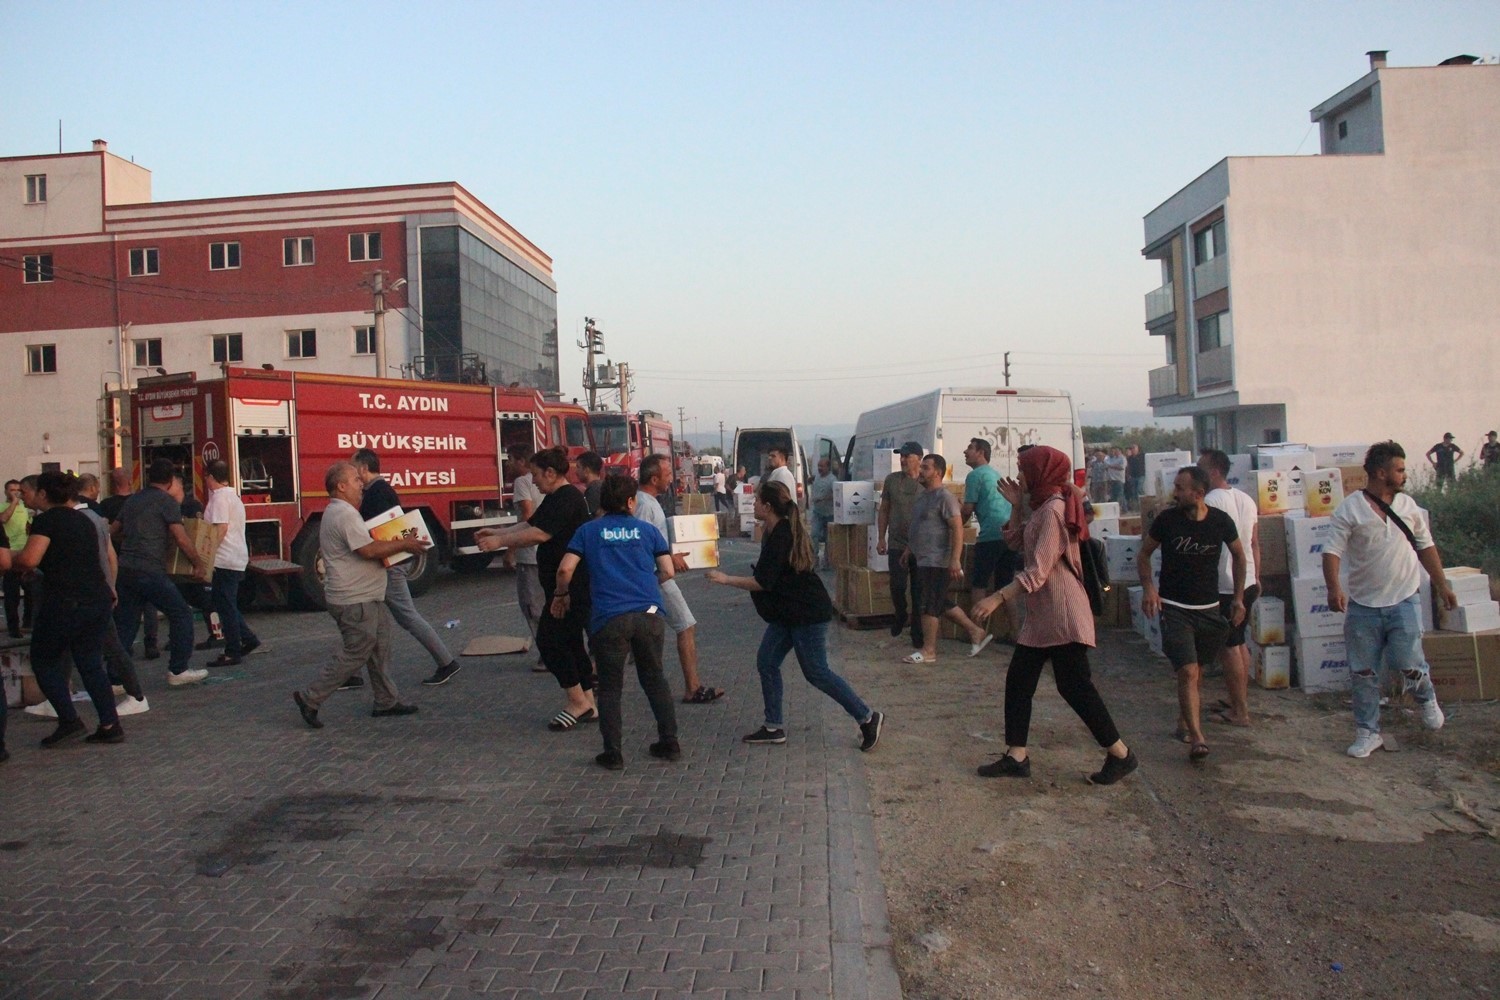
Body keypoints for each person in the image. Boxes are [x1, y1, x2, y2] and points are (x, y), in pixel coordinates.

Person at [969, 446, 1137, 785]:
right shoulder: (1041, 508)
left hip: (1062, 613)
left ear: (1040, 473)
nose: (1019, 476)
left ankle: (1121, 754)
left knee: (1075, 687)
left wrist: (997, 598)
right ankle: (1017, 755)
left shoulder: (1053, 512)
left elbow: (1038, 571)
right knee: (1020, 682)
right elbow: (1016, 543)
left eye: (1023, 469)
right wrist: (1016, 508)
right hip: (1044, 615)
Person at [708, 481, 882, 752]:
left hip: (806, 613)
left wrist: (726, 578)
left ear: (767, 507)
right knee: (767, 662)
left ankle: (868, 717)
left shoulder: (782, 535)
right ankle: (773, 726)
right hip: (789, 612)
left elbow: (763, 581)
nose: (752, 505)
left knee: (816, 672)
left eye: (756, 501)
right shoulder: (775, 530)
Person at [1324, 441, 1457, 758]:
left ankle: (1426, 698)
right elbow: (1332, 552)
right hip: (1364, 607)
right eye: (1399, 469)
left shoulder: (1408, 506)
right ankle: (1367, 732)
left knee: (1408, 660)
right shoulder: (1350, 509)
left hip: (1404, 601)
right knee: (1364, 673)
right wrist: (1333, 589)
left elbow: (1426, 548)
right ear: (1381, 473)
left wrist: (1442, 586)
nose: (1404, 474)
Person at [554, 474, 681, 770]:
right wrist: (647, 584)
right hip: (649, 614)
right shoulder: (648, 531)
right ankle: (669, 741)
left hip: (609, 618)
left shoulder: (588, 531)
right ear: (630, 502)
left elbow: (564, 570)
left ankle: (613, 753)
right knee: (655, 679)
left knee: (611, 688)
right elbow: (668, 571)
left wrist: (561, 595)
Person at [291, 462, 427, 728]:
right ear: (340, 486)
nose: (361, 484)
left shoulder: (341, 512)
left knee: (379, 647)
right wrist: (405, 543)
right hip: (355, 599)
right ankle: (311, 698)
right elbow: (368, 550)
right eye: (355, 479)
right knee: (357, 651)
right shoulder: (344, 515)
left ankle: (386, 700)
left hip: (365, 595)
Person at [477, 448, 596, 729]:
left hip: (569, 587)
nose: (533, 481)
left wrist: (502, 544)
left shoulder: (568, 498)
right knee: (572, 642)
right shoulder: (556, 498)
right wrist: (499, 533)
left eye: (535, 475)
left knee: (550, 641)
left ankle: (577, 700)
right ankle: (588, 702)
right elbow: (531, 523)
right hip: (561, 585)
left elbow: (540, 534)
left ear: (550, 473)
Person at [1137, 466, 1246, 761]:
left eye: (1180, 488)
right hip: (1174, 609)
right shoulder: (1167, 520)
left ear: (1198, 494)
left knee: (1197, 672)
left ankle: (1185, 719)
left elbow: (1239, 555)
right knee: (1186, 670)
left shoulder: (1221, 522)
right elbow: (1144, 554)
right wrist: (1149, 589)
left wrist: (1238, 598)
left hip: (1209, 609)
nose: (1175, 493)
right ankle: (1198, 737)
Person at [9, 472, 122, 747]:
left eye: (31, 492)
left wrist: (12, 559)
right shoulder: (83, 519)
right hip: (96, 597)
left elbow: (31, 558)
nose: (28, 497)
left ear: (44, 495)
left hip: (66, 601)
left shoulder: (47, 520)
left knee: (44, 660)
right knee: (91, 663)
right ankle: (110, 723)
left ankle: (69, 720)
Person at [351, 449, 461, 687]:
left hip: (390, 564)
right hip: (390, 562)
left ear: (363, 468)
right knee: (367, 619)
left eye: (354, 468)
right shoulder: (381, 490)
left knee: (406, 616)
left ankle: (446, 662)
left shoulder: (376, 494)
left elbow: (379, 531)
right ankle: (353, 672)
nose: (353, 474)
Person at [112, 458, 211, 686]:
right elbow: (180, 536)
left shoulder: (132, 500)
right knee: (181, 614)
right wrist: (197, 562)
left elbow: (113, 531)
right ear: (169, 481)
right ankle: (178, 670)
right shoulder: (166, 502)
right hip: (150, 569)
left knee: (126, 624)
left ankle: (115, 679)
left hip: (126, 569)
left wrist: (130, 541)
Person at [637, 454, 724, 704]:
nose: (671, 480)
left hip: (658, 574)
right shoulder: (645, 505)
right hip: (658, 578)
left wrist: (669, 554)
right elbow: (640, 543)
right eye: (666, 475)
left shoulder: (648, 501)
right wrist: (665, 560)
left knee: (643, 631)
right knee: (684, 624)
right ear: (654, 479)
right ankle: (693, 687)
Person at [903, 453, 992, 664]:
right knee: (939, 602)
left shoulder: (946, 498)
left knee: (928, 604)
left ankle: (929, 651)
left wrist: (955, 559)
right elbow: (919, 527)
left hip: (937, 561)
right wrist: (910, 549)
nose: (921, 471)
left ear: (938, 473)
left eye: (926, 468)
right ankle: (975, 631)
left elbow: (957, 528)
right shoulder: (923, 497)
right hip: (922, 559)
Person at [1199, 449, 1260, 728]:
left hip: (1224, 584)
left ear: (1213, 472)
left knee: (1229, 646)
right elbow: (1254, 543)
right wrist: (1257, 577)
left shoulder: (1210, 501)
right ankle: (1238, 698)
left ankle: (1240, 710)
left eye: (1201, 468)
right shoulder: (1245, 499)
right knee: (1239, 642)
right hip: (1245, 580)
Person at [202, 461, 262, 668]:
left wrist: (206, 555)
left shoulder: (218, 498)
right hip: (235, 556)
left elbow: (221, 528)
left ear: (210, 476)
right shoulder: (232, 495)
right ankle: (247, 638)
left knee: (224, 605)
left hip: (224, 558)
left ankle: (232, 650)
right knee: (226, 603)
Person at [98, 467, 159, 658]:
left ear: (113, 483)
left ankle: (124, 644)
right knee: (149, 604)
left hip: (119, 558)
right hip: (145, 557)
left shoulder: (106, 505)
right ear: (130, 481)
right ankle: (151, 644)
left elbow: (108, 531)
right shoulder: (139, 502)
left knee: (123, 606)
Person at [960, 437, 1016, 636]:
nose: (965, 452)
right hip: (1008, 534)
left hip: (990, 535)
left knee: (979, 583)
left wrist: (955, 529)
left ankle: (977, 631)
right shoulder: (994, 473)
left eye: (970, 448)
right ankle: (1016, 634)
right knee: (1005, 586)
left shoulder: (976, 475)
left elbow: (967, 509)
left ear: (981, 452)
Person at [876, 443, 925, 649]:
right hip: (897, 542)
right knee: (897, 585)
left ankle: (917, 631)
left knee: (918, 591)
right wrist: (881, 537)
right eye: (901, 456)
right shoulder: (892, 480)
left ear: (919, 458)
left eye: (908, 456)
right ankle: (901, 614)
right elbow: (884, 509)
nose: (903, 460)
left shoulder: (927, 482)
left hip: (921, 546)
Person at [2, 478, 33, 638]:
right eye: (12, 490)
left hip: (25, 553)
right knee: (12, 595)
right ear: (6, 492)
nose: (16, 493)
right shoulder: (3, 507)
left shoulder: (25, 508)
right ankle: (13, 628)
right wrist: (14, 503)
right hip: (9, 555)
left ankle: (28, 623)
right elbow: (3, 519)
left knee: (32, 591)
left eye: (18, 490)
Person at [809, 457, 837, 570]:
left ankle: (827, 561)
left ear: (828, 467)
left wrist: (823, 498)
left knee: (828, 539)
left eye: (822, 466)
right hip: (817, 513)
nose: (820, 468)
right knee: (814, 535)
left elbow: (836, 494)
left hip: (829, 514)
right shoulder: (817, 477)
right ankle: (814, 559)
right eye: (818, 466)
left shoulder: (832, 480)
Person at [576, 451, 605, 517]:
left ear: (586, 470)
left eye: (578, 467)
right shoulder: (603, 486)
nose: (576, 471)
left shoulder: (593, 491)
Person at [1125, 444, 1145, 512]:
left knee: (1139, 489)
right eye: (1132, 448)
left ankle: (1144, 501)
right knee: (1134, 492)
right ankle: (1137, 508)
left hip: (1141, 475)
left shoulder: (1142, 456)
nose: (1132, 449)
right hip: (1133, 476)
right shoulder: (1129, 458)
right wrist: (1128, 475)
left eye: (1134, 448)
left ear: (1137, 449)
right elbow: (1128, 467)